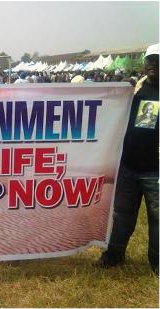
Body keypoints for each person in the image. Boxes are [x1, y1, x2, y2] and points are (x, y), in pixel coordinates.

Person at [95, 43, 159, 274]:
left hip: (155, 170)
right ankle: (114, 255)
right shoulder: (134, 88)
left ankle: (157, 262)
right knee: (122, 214)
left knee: (157, 218)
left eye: (158, 60)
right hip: (129, 164)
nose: (153, 64)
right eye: (150, 59)